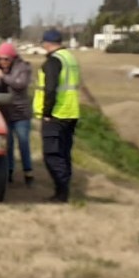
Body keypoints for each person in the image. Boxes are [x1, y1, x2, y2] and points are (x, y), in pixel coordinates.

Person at [33, 29, 81, 203]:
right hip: (71, 112)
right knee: (64, 154)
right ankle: (64, 191)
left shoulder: (53, 61)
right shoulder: (70, 58)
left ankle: (61, 192)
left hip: (56, 114)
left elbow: (50, 89)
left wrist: (46, 112)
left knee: (52, 155)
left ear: (47, 43)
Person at [0, 42, 34, 186]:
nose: (3, 62)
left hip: (21, 114)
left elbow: (20, 84)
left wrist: (4, 77)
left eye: (6, 59)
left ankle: (28, 173)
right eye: (0, 59)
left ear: (13, 58)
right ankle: (9, 172)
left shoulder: (23, 68)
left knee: (23, 142)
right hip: (5, 113)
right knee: (8, 144)